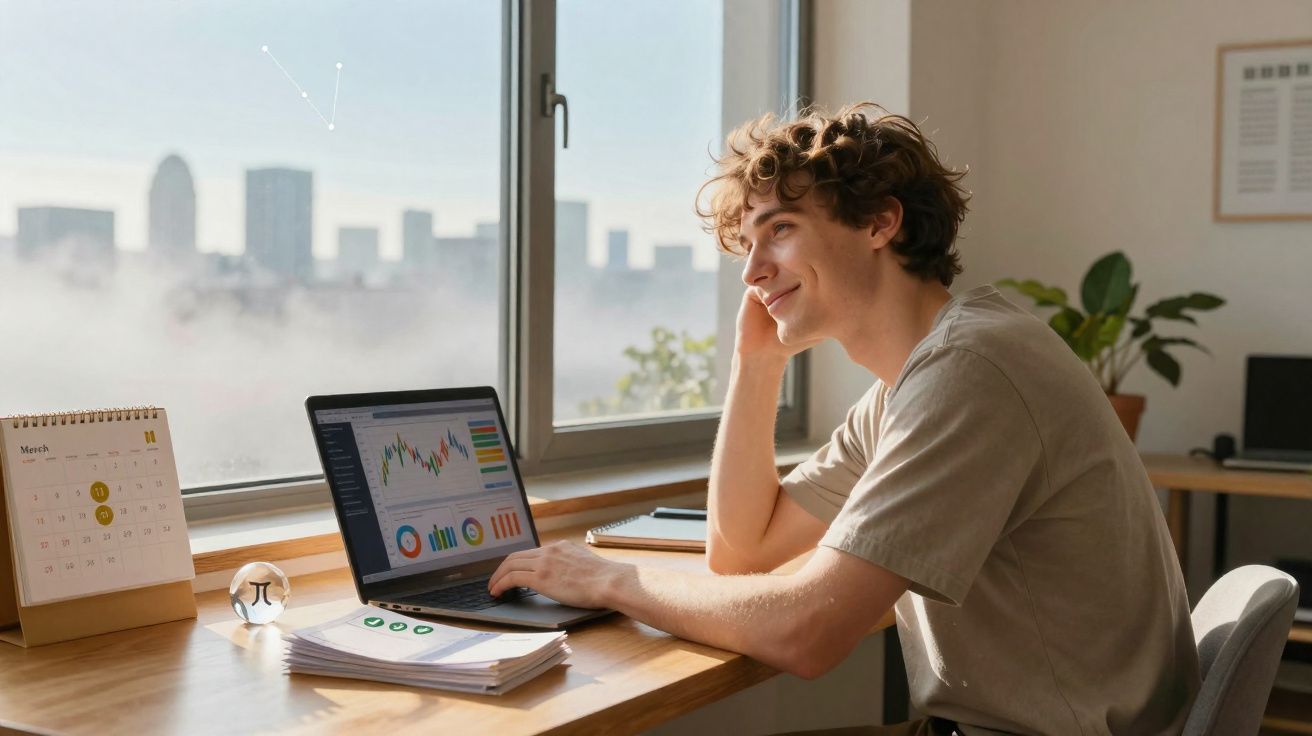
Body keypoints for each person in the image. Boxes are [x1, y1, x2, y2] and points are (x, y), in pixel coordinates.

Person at [489, 102, 1200, 735]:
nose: (752, 272)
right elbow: (741, 552)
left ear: (880, 222)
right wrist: (755, 364)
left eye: (780, 230)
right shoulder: (909, 385)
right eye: (748, 246)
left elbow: (807, 632)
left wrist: (610, 581)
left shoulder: (970, 370)